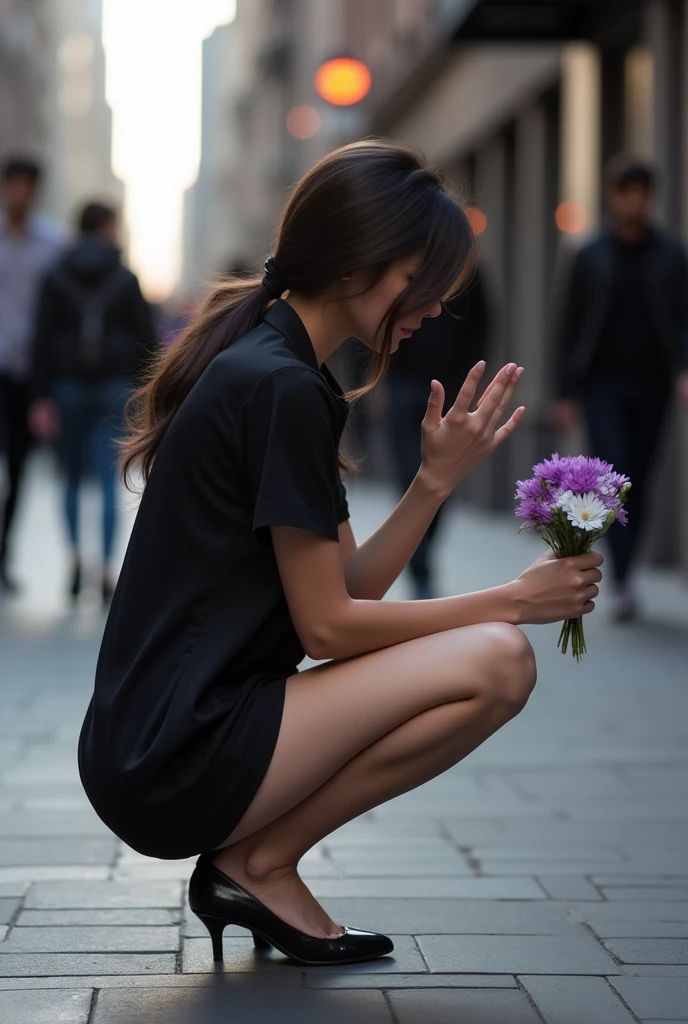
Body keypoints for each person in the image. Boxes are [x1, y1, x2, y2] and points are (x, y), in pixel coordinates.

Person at [78, 141, 602, 967]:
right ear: (359, 268)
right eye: (422, 281)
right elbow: (328, 627)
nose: (436, 306)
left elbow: (347, 586)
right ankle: (259, 862)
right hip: (173, 751)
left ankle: (257, 864)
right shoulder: (279, 384)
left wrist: (431, 484)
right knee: (500, 657)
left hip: (170, 735)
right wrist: (512, 599)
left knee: (497, 658)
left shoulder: (285, 372)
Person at [553, 155, 688, 622]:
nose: (635, 201)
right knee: (614, 476)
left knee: (643, 480)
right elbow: (568, 327)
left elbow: (683, 321)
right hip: (601, 386)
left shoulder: (671, 255)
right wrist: (565, 393)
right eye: (627, 192)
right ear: (613, 197)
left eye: (642, 193)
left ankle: (627, 576)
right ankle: (622, 578)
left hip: (653, 385)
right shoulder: (589, 255)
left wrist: (683, 371)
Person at [28, 202, 157, 605]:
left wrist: (40, 396)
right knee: (105, 479)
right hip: (113, 388)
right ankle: (103, 570)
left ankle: (74, 560)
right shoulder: (125, 277)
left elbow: (42, 339)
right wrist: (142, 394)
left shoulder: (56, 274)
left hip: (66, 386)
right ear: (106, 228)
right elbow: (146, 342)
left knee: (68, 478)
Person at [386, 267, 491, 598]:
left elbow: (482, 326)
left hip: (450, 387)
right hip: (402, 385)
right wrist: (373, 380)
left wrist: (471, 380)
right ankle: (418, 568)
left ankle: (422, 560)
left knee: (441, 480)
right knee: (409, 474)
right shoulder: (401, 265)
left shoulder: (468, 273)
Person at [0, 157, 64, 592]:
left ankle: (3, 556)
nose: (20, 193)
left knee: (18, 470)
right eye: (14, 185)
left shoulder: (53, 245)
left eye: (28, 186)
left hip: (27, 374)